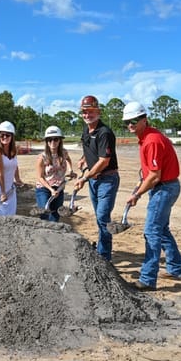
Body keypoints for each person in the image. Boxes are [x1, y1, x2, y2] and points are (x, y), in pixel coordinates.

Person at [123, 101, 181, 290]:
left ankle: (147, 279)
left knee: (152, 232)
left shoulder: (152, 141)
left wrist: (137, 195)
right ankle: (176, 268)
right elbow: (150, 172)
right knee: (162, 229)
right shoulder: (147, 137)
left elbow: (155, 176)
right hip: (164, 186)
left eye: (134, 121)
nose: (130, 125)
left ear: (144, 119)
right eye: (127, 122)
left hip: (164, 188)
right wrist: (140, 184)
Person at [72, 95, 121, 260]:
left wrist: (84, 178)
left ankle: (104, 256)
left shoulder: (104, 133)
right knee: (100, 218)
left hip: (107, 179)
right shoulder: (86, 131)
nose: (87, 115)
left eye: (91, 111)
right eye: (84, 112)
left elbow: (104, 161)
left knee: (102, 217)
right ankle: (101, 249)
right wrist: (83, 159)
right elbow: (90, 151)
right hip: (94, 180)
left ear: (98, 112)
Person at [35, 125, 74, 222]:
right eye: (50, 139)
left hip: (59, 188)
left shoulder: (64, 153)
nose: (53, 142)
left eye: (55, 139)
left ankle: (53, 231)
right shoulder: (42, 157)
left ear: (60, 140)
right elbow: (40, 177)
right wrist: (51, 189)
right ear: (46, 142)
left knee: (56, 214)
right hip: (44, 189)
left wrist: (71, 170)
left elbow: (68, 160)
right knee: (44, 213)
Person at [0, 121, 23, 215]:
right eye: (2, 135)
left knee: (11, 216)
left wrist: (18, 179)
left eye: (7, 135)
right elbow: (0, 173)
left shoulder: (14, 150)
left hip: (9, 189)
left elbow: (15, 165)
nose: (4, 137)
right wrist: (3, 192)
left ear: (12, 136)